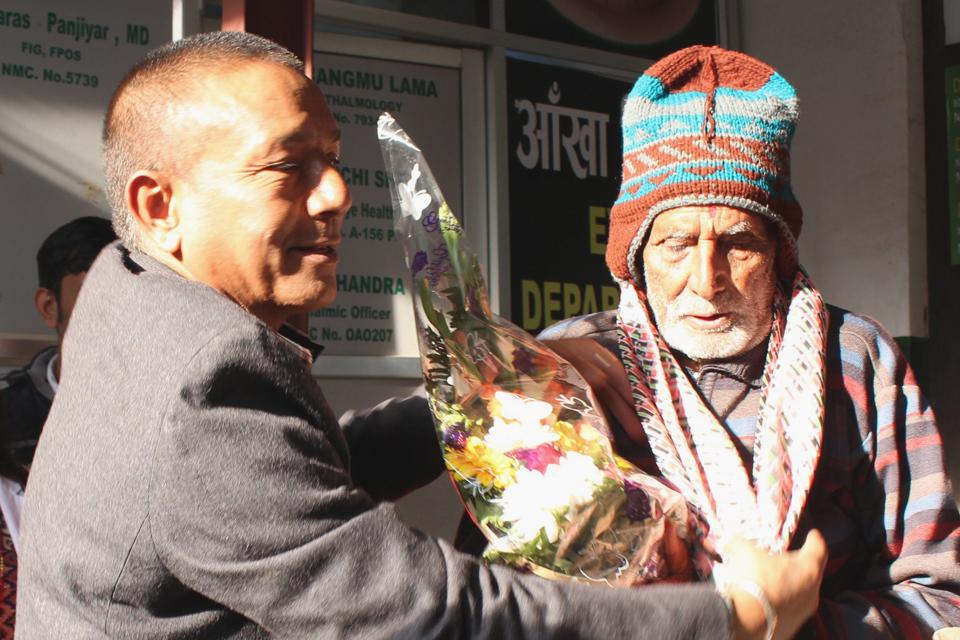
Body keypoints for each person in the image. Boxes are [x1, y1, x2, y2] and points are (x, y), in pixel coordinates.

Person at [17, 33, 825, 640]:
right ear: (161, 206)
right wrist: (732, 616)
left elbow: (291, 483)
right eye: (286, 168)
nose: (336, 194)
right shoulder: (201, 375)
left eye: (331, 159)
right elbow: (416, 607)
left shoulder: (130, 297)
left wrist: (496, 387)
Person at [537, 46, 960, 638]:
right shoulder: (574, 362)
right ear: (635, 258)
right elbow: (504, 585)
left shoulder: (857, 361)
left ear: (780, 255)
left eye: (739, 244)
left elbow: (934, 591)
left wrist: (778, 628)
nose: (708, 282)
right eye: (677, 245)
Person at [0, 216, 115, 637]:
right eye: (93, 300)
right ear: (50, 307)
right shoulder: (7, 422)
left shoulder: (176, 413)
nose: (113, 321)